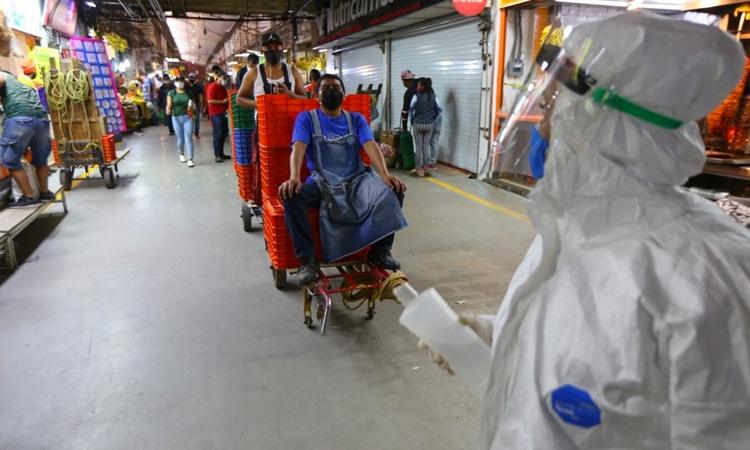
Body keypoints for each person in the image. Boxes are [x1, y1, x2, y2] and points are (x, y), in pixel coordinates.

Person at [427, 12, 750, 449]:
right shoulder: (569, 234)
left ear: (610, 123)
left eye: (555, 104)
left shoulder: (707, 280)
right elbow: (568, 344)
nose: (542, 123)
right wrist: (488, 333)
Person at [279, 74, 407, 284]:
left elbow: (370, 145)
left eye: (336, 88)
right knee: (292, 196)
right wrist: (294, 177)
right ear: (316, 95)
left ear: (344, 95)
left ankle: (380, 251)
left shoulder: (355, 119)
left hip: (357, 182)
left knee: (394, 189)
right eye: (326, 88)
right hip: (324, 185)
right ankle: (307, 259)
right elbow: (298, 147)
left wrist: (385, 174)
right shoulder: (307, 119)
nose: (332, 92)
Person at [0, 71, 54, 207]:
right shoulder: (21, 86)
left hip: (20, 121)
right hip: (41, 121)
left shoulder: (3, 76)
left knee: (10, 160)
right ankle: (45, 192)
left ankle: (29, 196)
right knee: (40, 159)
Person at [409, 77, 441, 177]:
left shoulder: (416, 96)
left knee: (419, 148)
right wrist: (432, 118)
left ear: (422, 86)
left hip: (418, 124)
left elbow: (410, 110)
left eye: (418, 85)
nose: (417, 87)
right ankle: (426, 170)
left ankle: (418, 170)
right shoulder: (434, 97)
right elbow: (439, 110)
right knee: (425, 147)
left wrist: (412, 120)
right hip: (429, 125)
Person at [166, 76, 196, 167]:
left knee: (189, 137)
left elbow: (193, 104)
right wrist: (168, 109)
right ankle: (182, 153)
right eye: (178, 81)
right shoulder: (172, 93)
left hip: (188, 117)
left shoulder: (189, 93)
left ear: (184, 82)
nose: (180, 83)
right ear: (175, 83)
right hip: (176, 118)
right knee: (181, 138)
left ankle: (190, 158)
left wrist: (192, 109)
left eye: (181, 81)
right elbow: (169, 104)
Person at [206, 71, 232, 163]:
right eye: (224, 78)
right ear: (218, 78)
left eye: (226, 79)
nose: (226, 80)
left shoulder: (223, 88)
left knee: (223, 134)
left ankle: (221, 153)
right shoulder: (212, 87)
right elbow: (210, 101)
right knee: (218, 134)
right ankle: (217, 155)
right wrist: (223, 102)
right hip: (215, 114)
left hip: (223, 113)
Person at [186, 73, 204, 139]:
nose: (191, 79)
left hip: (196, 105)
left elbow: (200, 96)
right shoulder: (186, 87)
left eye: (192, 78)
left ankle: (196, 133)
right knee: (189, 120)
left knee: (196, 120)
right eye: (190, 77)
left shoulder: (198, 87)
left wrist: (202, 106)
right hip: (188, 105)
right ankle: (189, 133)